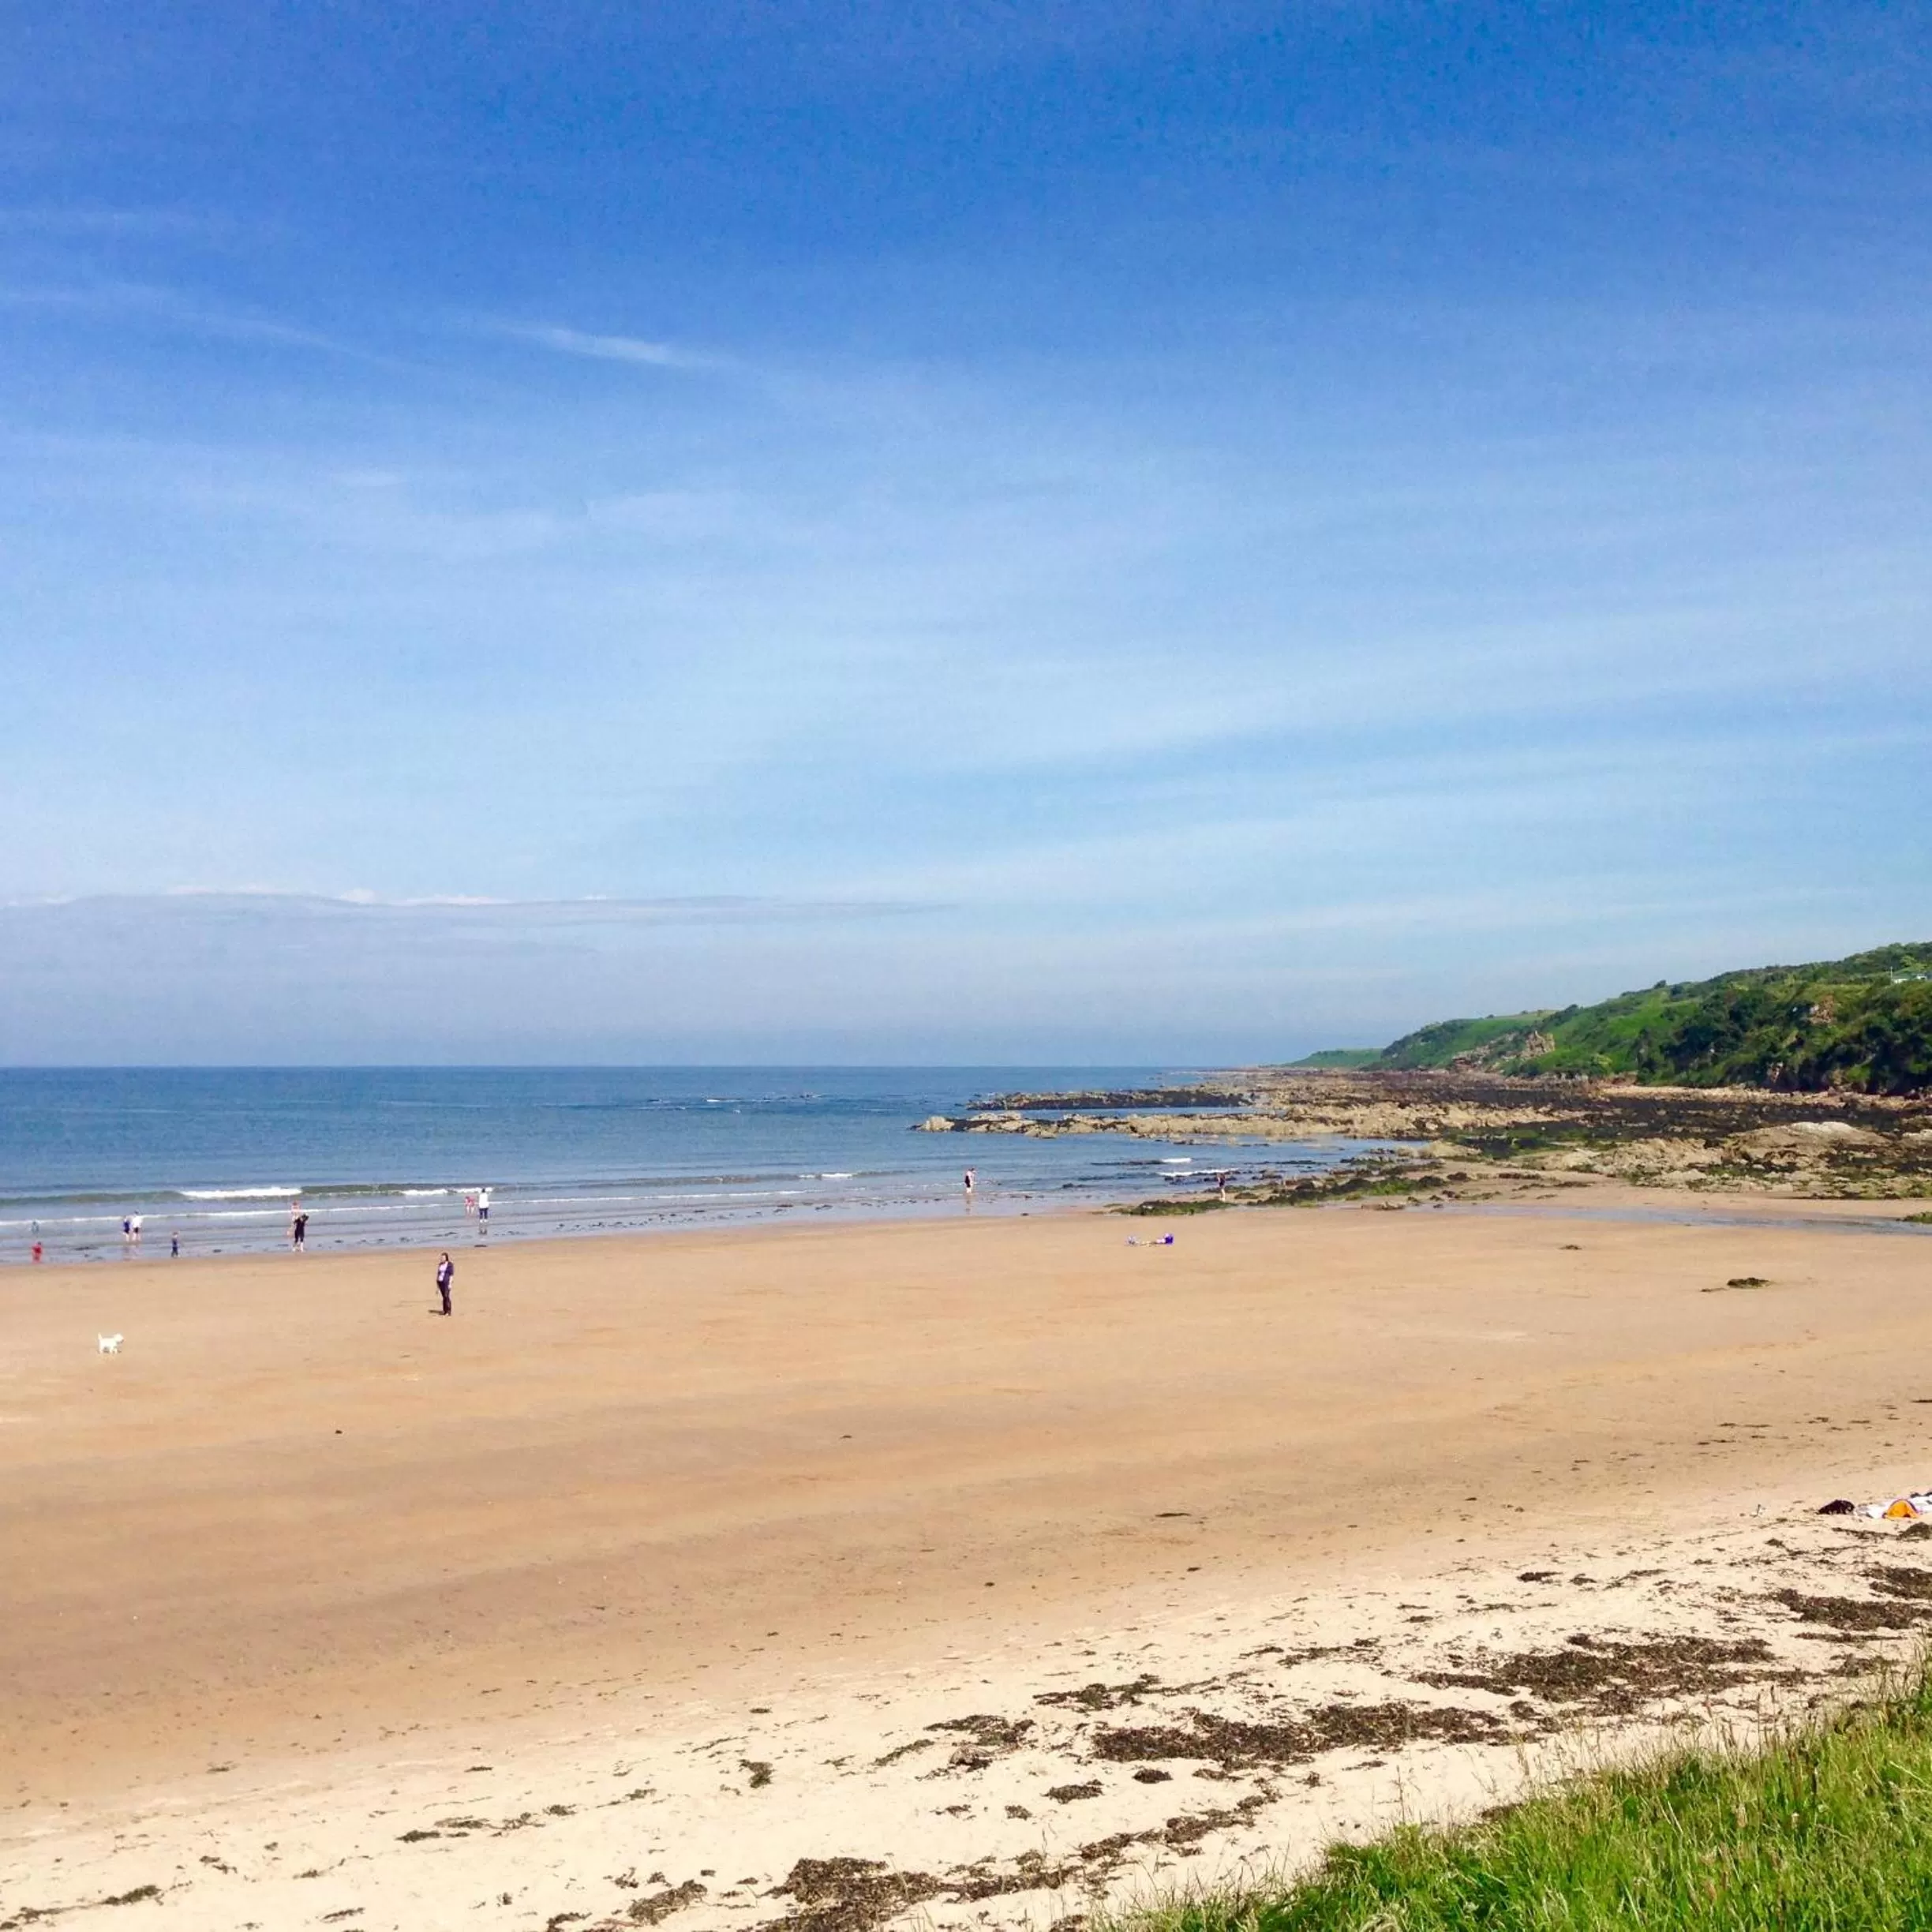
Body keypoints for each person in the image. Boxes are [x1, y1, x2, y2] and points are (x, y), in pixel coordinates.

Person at [435, 1251, 455, 1316]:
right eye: (441, 1258)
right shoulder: (440, 1265)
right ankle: (445, 1310)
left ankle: (448, 1311)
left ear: (446, 1258)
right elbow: (438, 1274)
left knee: (446, 1296)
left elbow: (451, 1275)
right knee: (444, 1297)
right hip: (440, 1282)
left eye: (443, 1258)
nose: (442, 1259)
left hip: (446, 1282)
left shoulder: (449, 1265)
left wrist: (450, 1284)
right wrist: (437, 1286)